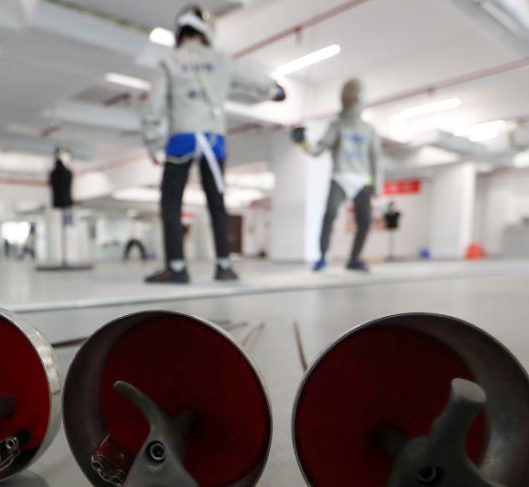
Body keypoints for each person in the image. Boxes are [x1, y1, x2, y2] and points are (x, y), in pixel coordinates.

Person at [142, 5, 286, 284]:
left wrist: (150, 142)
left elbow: (153, 107)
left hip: (181, 140)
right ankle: (223, 266)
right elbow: (251, 79)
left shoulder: (168, 63)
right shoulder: (222, 61)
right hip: (213, 141)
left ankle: (177, 267)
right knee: (216, 204)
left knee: (171, 204)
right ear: (207, 31)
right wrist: (273, 89)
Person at [295, 79, 382, 272]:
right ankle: (322, 256)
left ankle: (354, 258)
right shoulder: (336, 126)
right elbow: (317, 150)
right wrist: (304, 141)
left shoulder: (369, 130)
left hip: (362, 180)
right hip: (340, 177)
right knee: (330, 214)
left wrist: (378, 185)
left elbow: (376, 158)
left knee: (365, 221)